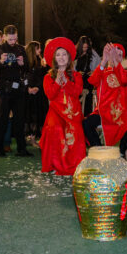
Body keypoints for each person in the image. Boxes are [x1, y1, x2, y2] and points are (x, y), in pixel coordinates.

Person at [39, 37, 86, 174]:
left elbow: (76, 92)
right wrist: (58, 81)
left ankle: (75, 163)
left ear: (69, 57)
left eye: (64, 54)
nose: (61, 57)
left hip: (73, 112)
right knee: (54, 127)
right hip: (56, 112)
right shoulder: (48, 77)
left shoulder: (76, 75)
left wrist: (65, 80)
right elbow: (50, 95)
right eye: (58, 55)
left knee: (75, 128)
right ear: (54, 58)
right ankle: (55, 164)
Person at [83, 43, 127, 158]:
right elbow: (92, 81)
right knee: (86, 123)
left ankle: (120, 153)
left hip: (120, 112)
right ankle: (100, 150)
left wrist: (116, 62)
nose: (116, 57)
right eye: (114, 54)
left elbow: (124, 80)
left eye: (119, 55)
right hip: (102, 112)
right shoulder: (102, 72)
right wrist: (104, 60)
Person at [0, 25, 31, 157]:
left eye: (15, 39)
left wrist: (22, 64)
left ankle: (22, 149)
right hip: (4, 88)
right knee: (3, 118)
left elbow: (27, 69)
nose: (13, 42)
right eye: (10, 39)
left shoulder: (20, 49)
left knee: (20, 119)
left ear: (17, 37)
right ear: (4, 37)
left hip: (18, 88)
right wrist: (1, 61)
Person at [24, 40, 48, 143]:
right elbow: (23, 77)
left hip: (39, 93)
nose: (40, 50)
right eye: (38, 48)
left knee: (39, 114)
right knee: (29, 114)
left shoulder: (41, 62)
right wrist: (28, 89)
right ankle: (29, 136)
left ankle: (37, 136)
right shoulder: (24, 63)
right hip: (28, 93)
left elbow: (44, 77)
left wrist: (38, 87)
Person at [74, 36, 101, 114]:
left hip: (88, 82)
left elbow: (99, 66)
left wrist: (94, 72)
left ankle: (86, 120)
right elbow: (70, 69)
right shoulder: (75, 54)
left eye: (86, 47)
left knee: (88, 101)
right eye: (83, 47)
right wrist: (76, 73)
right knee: (77, 103)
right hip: (77, 82)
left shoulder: (93, 54)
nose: (85, 49)